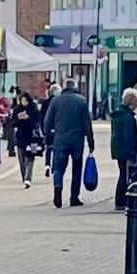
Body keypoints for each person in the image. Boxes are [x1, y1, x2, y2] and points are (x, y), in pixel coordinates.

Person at [45, 78, 95, 208]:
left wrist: (47, 138)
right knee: (76, 168)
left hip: (60, 139)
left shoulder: (56, 101)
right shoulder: (81, 101)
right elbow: (87, 124)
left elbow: (47, 121)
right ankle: (74, 197)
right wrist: (91, 141)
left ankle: (58, 187)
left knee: (58, 168)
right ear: (75, 87)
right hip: (77, 140)